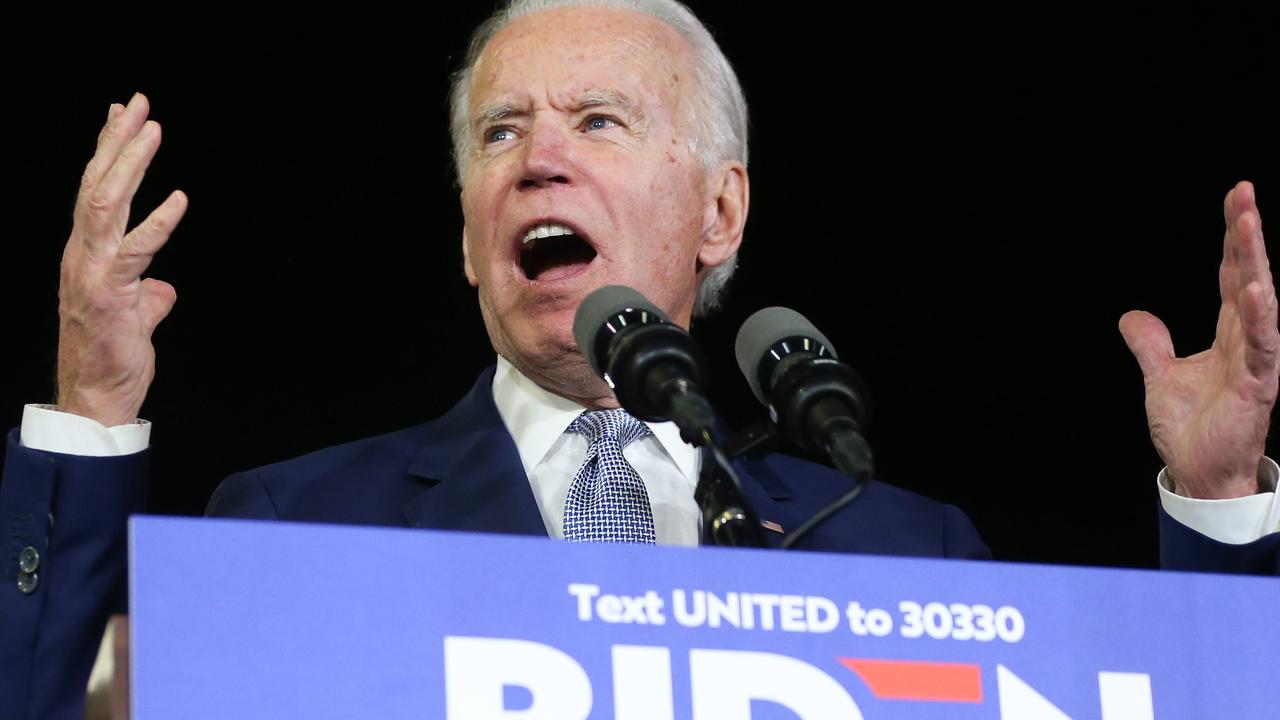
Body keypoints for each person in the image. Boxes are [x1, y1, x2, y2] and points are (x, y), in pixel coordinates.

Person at [0, 0, 1275, 718]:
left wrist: (1219, 514)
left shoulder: (902, 552)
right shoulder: (297, 526)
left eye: (597, 120)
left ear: (718, 214)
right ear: (464, 232)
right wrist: (94, 408)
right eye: (500, 132)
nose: (535, 158)